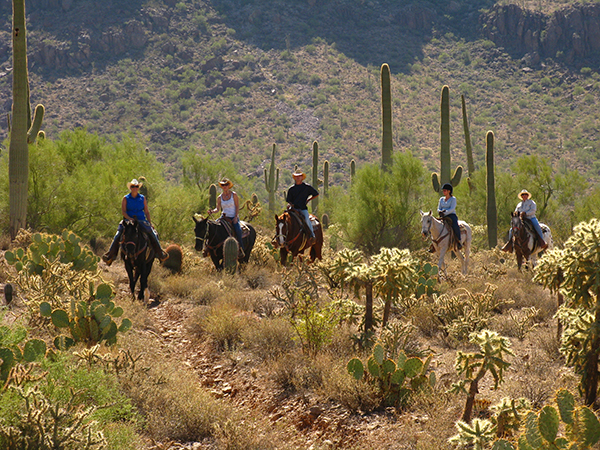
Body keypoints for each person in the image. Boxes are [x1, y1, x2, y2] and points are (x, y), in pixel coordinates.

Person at [102, 179, 169, 265]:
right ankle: (110, 255)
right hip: (128, 221)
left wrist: (149, 223)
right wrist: (129, 218)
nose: (135, 188)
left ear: (138, 188)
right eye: (133, 186)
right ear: (130, 188)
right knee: (118, 234)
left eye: (136, 186)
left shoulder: (142, 198)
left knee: (153, 233)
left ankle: (160, 253)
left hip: (141, 220)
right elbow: (123, 211)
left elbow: (147, 212)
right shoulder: (125, 198)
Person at [208, 178, 244, 258]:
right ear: (221, 186)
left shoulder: (234, 195)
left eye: (226, 185)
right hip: (223, 217)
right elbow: (217, 209)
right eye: (223, 185)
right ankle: (207, 248)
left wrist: (235, 217)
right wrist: (212, 211)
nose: (225, 186)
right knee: (212, 228)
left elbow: (237, 206)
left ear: (229, 186)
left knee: (238, 230)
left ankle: (240, 249)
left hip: (233, 217)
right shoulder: (219, 197)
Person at [286, 170, 319, 239]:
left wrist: (309, 199)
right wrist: (290, 205)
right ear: (294, 178)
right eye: (296, 176)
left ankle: (312, 235)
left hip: (302, 208)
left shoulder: (307, 187)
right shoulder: (291, 189)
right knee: (284, 220)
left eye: (299, 176)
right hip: (293, 208)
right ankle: (280, 238)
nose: (298, 178)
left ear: (302, 177)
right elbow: (289, 200)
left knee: (307, 219)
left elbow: (316, 194)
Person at [438, 183, 462, 250]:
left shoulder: (453, 199)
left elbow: (452, 208)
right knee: (434, 224)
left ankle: (459, 241)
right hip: (442, 215)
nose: (443, 191)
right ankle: (434, 243)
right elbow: (438, 208)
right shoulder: (441, 199)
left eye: (445, 190)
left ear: (449, 191)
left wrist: (444, 212)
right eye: (443, 190)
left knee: (455, 225)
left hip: (451, 215)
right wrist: (439, 211)